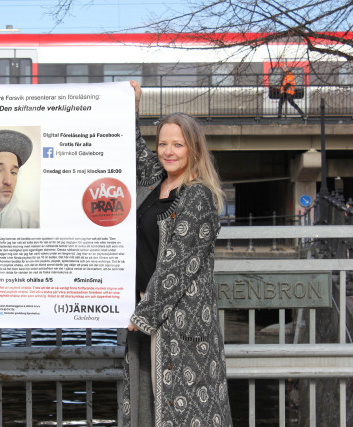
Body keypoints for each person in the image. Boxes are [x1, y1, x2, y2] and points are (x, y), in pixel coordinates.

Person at [123, 81, 232, 426]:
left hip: (178, 322)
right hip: (149, 311)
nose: (168, 151)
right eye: (163, 144)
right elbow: (133, 151)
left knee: (183, 412)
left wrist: (142, 316)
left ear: (194, 149)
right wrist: (131, 107)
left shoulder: (196, 196)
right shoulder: (159, 181)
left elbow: (178, 266)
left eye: (177, 145)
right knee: (150, 403)